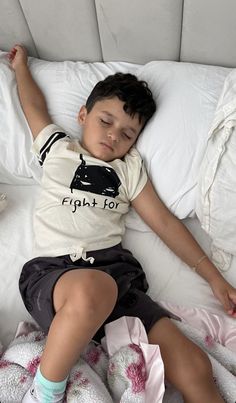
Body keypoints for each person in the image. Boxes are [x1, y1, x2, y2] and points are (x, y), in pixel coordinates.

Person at [8, 44, 236, 403]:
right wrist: (21, 68)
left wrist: (215, 278)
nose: (114, 136)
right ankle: (43, 394)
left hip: (117, 279)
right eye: (106, 121)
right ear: (83, 114)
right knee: (92, 291)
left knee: (193, 366)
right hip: (55, 274)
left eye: (127, 134)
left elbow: (163, 222)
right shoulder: (58, 148)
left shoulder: (128, 169)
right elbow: (33, 106)